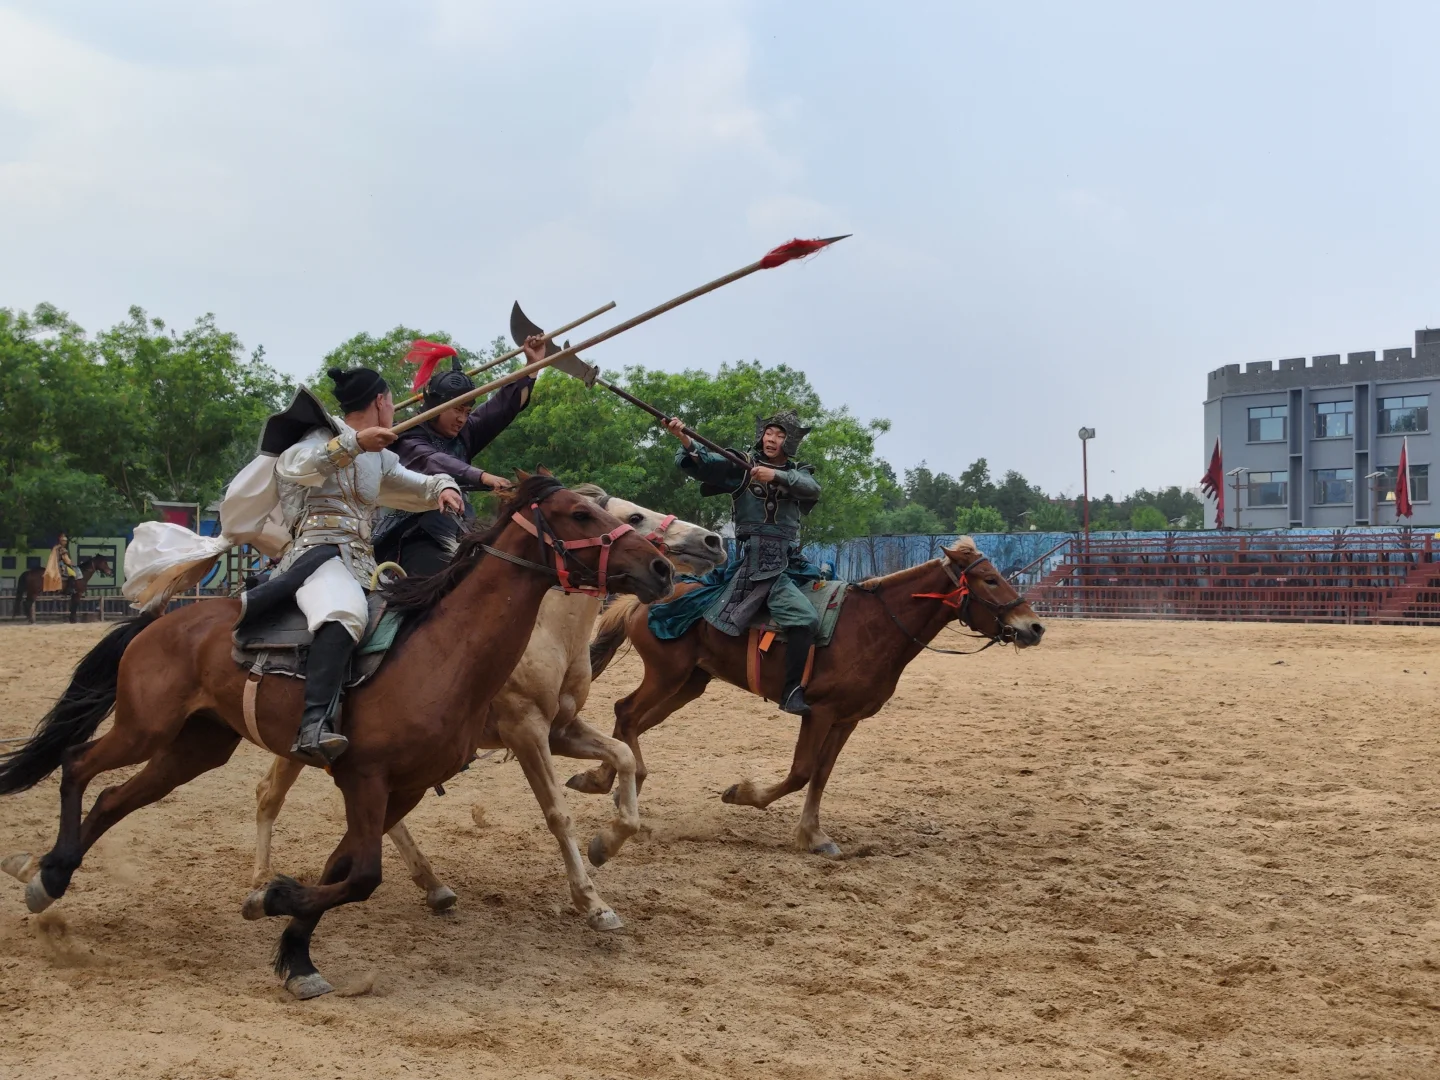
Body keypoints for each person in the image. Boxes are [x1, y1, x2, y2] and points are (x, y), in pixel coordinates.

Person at [237, 366, 464, 764]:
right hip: (317, 555)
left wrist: (443, 485)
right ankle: (314, 725)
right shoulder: (318, 437)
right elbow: (294, 466)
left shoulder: (382, 457)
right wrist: (354, 443)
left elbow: (416, 483)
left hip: (363, 561)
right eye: (391, 401)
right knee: (343, 611)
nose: (393, 409)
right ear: (380, 401)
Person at [661, 410, 822, 714]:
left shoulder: (799, 472)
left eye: (780, 435)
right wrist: (684, 437)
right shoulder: (742, 464)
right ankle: (790, 692)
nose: (771, 439)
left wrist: (774, 475)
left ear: (790, 442)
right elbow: (707, 463)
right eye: (769, 433)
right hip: (761, 562)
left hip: (791, 560)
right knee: (805, 619)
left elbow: (812, 488)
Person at [373, 335, 549, 575]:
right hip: (410, 534)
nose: (462, 419)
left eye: (467, 411)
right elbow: (433, 460)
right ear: (436, 407)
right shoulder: (407, 435)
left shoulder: (465, 431)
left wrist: (533, 365)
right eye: (457, 410)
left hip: (458, 529)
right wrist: (482, 476)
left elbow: (502, 407)